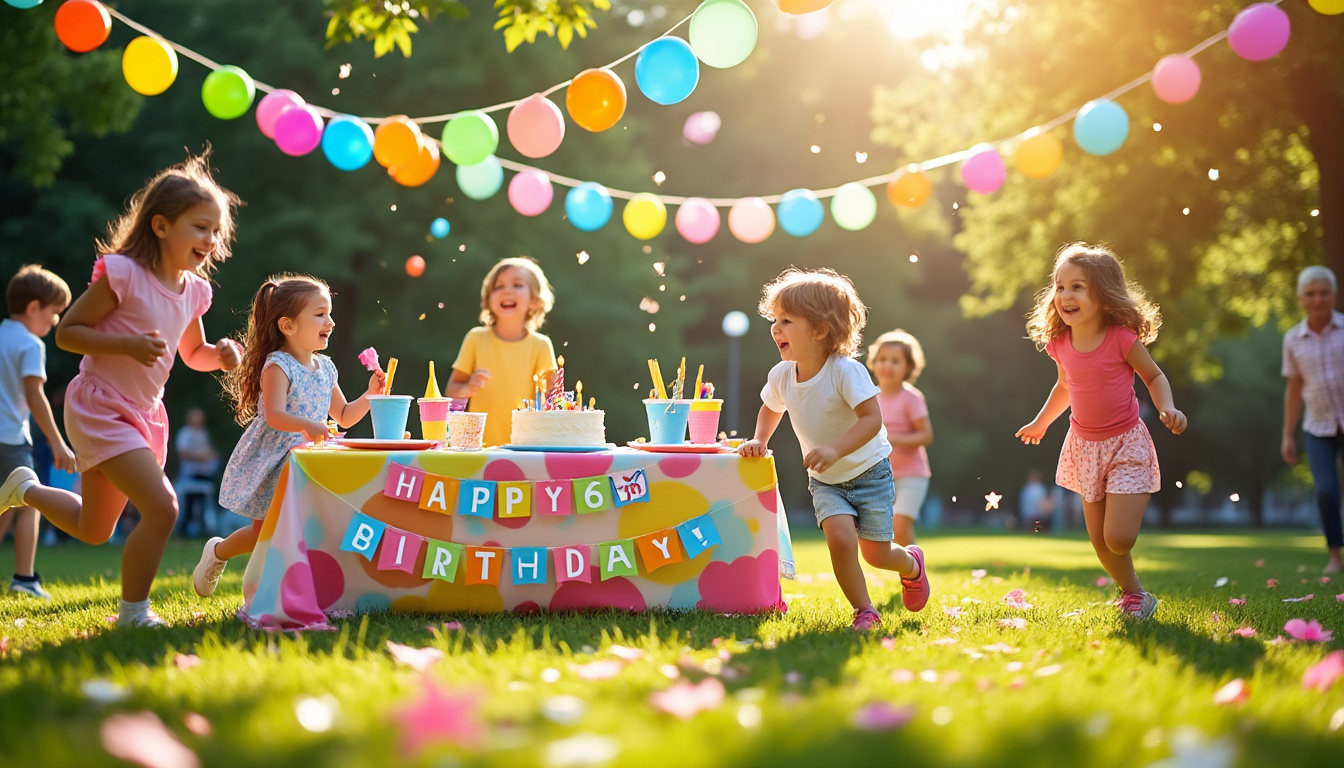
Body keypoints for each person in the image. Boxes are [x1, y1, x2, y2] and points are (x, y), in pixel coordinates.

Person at [0, 153, 243, 627]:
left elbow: (193, 353)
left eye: (216, 231)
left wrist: (221, 354)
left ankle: (24, 489)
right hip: (101, 405)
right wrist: (127, 344)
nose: (211, 240)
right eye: (200, 227)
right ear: (161, 225)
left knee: (93, 529)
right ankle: (134, 612)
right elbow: (68, 333)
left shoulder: (195, 292)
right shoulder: (124, 274)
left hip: (145, 413)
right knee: (163, 507)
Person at [739, 268, 929, 632]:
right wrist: (760, 439)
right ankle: (865, 610)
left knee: (877, 554)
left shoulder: (845, 371)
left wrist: (834, 450)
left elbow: (872, 419)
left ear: (820, 330)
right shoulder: (782, 375)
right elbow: (771, 408)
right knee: (840, 540)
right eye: (775, 320)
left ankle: (911, 565)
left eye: (787, 321)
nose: (776, 328)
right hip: (826, 481)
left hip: (870, 473)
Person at [1016, 242, 1187, 621]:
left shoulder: (1121, 339)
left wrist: (1167, 407)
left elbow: (1154, 376)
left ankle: (1133, 587)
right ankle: (1135, 594)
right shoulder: (1060, 344)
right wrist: (1042, 422)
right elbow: (1065, 387)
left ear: (1104, 295)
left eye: (1077, 287)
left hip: (1126, 444)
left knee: (1118, 538)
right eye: (1060, 287)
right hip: (1084, 447)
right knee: (1099, 541)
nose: (1065, 295)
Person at [193, 276, 384, 597]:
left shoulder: (326, 368)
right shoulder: (278, 366)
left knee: (311, 526)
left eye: (330, 313)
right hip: (277, 459)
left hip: (310, 460)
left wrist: (370, 395)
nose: (331, 322)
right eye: (320, 314)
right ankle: (218, 552)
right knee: (264, 533)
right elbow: (274, 415)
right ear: (288, 325)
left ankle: (302, 588)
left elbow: (344, 414)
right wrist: (307, 425)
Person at [0, 265, 76, 599]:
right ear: (33, 308)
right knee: (29, 499)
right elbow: (35, 396)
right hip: (12, 440)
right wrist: (57, 442)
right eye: (54, 313)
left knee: (5, 503)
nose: (55, 321)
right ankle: (24, 578)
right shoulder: (31, 345)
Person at [446, 257, 558, 447]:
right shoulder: (475, 338)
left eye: (517, 285)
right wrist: (467, 388)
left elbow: (552, 402)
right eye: (498, 286)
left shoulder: (541, 345)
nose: (507, 291)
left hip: (526, 449)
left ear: (534, 302)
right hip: (480, 450)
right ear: (489, 300)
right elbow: (451, 392)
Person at [1280, 265, 1344, 574]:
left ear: (1334, 295)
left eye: (1323, 293)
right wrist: (1287, 435)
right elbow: (1294, 390)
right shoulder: (1293, 339)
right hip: (1317, 428)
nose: (1318, 300)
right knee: (1326, 491)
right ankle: (1335, 556)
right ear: (1300, 299)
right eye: (1310, 294)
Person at [867, 329, 933, 546]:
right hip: (879, 475)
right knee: (879, 529)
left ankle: (913, 565)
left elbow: (926, 435)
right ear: (873, 362)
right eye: (882, 359)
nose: (887, 366)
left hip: (912, 474)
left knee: (900, 524)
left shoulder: (911, 398)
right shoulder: (868, 397)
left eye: (895, 361)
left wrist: (891, 438)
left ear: (908, 367)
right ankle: (902, 563)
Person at [173, 407, 219, 538]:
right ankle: (183, 531)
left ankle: (205, 530)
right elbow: (183, 454)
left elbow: (208, 451)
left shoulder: (203, 433)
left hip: (204, 475)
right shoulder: (185, 433)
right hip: (190, 476)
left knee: (204, 504)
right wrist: (202, 458)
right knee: (188, 504)